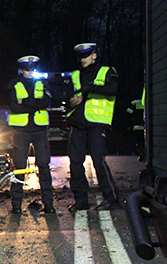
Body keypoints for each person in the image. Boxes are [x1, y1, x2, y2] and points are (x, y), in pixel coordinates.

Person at [66, 43, 120, 212]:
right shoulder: (75, 75)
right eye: (80, 57)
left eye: (86, 56)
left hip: (97, 124)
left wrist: (88, 89)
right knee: (75, 163)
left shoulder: (106, 71)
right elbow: (68, 97)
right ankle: (81, 200)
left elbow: (112, 89)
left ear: (94, 56)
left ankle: (111, 198)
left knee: (98, 160)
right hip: (77, 124)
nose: (83, 60)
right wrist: (71, 101)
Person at [6, 55, 55, 214]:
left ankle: (49, 204)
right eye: (27, 68)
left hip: (40, 130)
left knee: (44, 166)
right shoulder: (14, 84)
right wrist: (35, 104)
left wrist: (25, 102)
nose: (29, 71)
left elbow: (46, 103)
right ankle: (16, 204)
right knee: (18, 168)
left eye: (32, 68)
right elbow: (14, 107)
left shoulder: (43, 83)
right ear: (21, 69)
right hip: (21, 131)